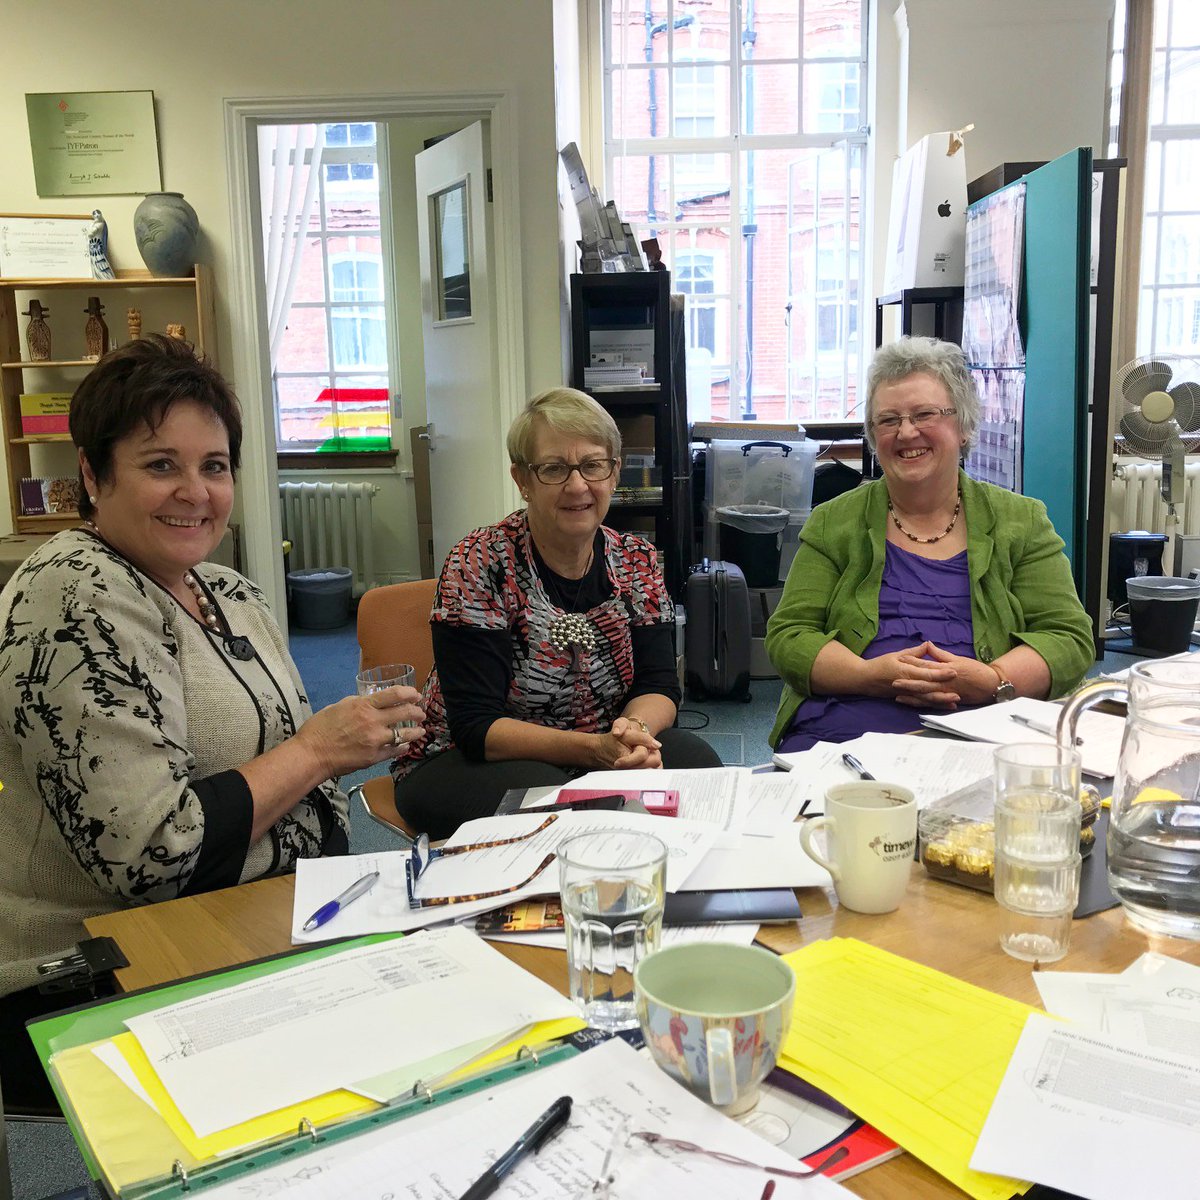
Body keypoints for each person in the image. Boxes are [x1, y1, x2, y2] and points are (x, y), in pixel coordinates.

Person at [0, 336, 423, 1104]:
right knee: (389, 1058)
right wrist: (318, 753)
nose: (195, 491)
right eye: (161, 464)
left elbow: (293, 773)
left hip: (262, 911)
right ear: (93, 476)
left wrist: (336, 751)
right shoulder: (71, 594)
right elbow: (152, 857)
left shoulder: (228, 591)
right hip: (99, 965)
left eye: (215, 466)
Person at [394, 387, 721, 837]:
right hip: (467, 758)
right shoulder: (480, 561)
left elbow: (659, 685)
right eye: (553, 469)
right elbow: (476, 726)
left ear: (614, 473)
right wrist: (593, 752)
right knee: (559, 809)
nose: (577, 485)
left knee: (700, 768)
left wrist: (634, 733)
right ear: (522, 480)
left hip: (604, 748)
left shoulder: (638, 559)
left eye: (593, 465)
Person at [766, 337, 1094, 753]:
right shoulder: (834, 520)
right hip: (846, 731)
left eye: (925, 414)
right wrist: (869, 677)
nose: (906, 432)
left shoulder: (1021, 521)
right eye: (888, 420)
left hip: (986, 729)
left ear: (964, 425)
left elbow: (1067, 636)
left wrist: (992, 680)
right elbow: (790, 635)